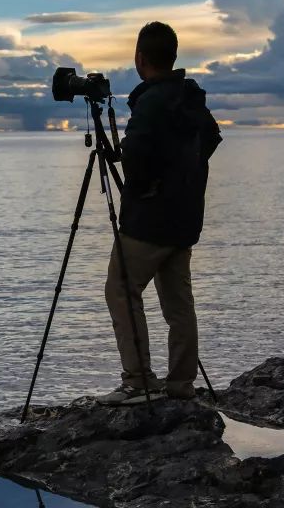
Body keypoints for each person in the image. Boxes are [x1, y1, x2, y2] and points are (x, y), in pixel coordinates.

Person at [98, 21, 222, 404]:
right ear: (172, 56)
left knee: (121, 288)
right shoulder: (189, 97)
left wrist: (146, 187)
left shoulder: (151, 101)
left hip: (149, 222)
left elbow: (135, 158)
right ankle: (181, 385)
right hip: (184, 219)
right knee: (178, 304)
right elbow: (212, 138)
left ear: (140, 58)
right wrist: (180, 178)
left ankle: (138, 380)